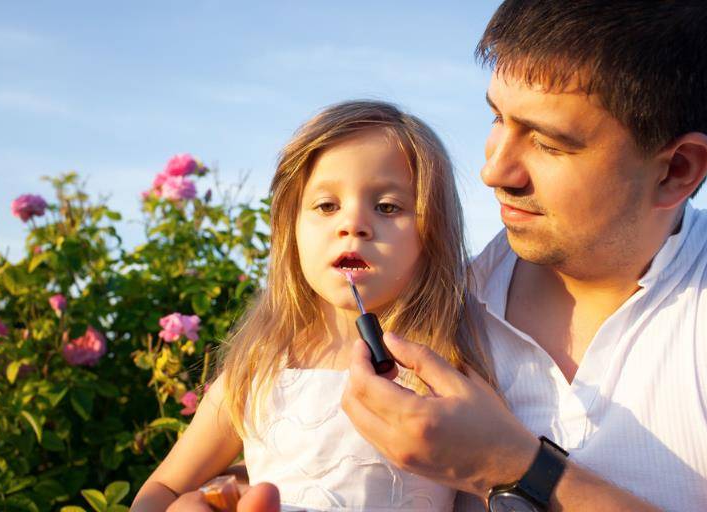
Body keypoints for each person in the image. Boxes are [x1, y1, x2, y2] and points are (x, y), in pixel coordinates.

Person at [340, 1, 707, 511]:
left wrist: (511, 467)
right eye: (497, 117)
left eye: (549, 143)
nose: (495, 171)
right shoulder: (444, 301)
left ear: (677, 170)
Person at [130, 100, 499, 512]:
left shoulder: (449, 369)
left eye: (388, 207)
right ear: (292, 229)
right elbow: (161, 487)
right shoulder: (259, 367)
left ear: (433, 234)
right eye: (326, 206)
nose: (352, 224)